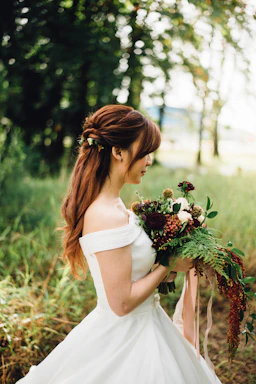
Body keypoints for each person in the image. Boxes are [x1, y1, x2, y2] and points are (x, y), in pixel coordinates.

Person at [16, 105, 221, 383]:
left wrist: (174, 253)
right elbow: (122, 304)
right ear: (118, 152)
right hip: (126, 336)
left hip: (148, 322)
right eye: (145, 152)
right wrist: (168, 263)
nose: (149, 161)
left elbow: (133, 274)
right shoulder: (105, 214)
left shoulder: (117, 206)